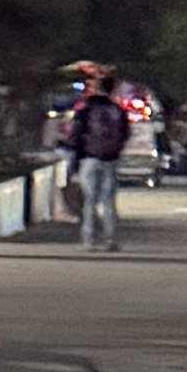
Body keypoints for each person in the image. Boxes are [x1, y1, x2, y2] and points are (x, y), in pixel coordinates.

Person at [66, 74, 131, 251]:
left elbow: (75, 135)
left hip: (89, 158)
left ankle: (89, 240)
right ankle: (111, 240)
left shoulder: (85, 108)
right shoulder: (117, 109)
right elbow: (125, 134)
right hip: (110, 159)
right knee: (109, 201)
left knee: (89, 201)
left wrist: (74, 162)